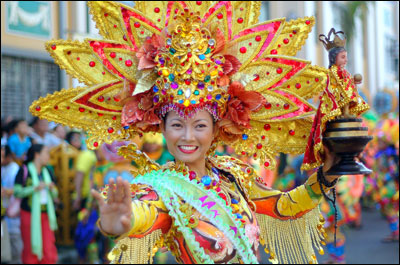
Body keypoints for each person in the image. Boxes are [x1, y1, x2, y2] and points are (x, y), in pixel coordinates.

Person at [29, 2, 354, 263]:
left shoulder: (234, 176)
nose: (187, 137)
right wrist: (118, 224)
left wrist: (324, 177)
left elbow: (285, 207)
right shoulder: (160, 188)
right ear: (161, 127)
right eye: (176, 125)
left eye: (199, 125)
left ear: (217, 129)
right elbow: (144, 214)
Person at [13, 144, 58, 264]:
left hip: (46, 215)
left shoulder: (47, 170)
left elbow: (55, 194)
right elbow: (17, 192)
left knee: (48, 247)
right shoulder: (24, 170)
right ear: (37, 155)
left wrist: (52, 189)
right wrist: (34, 188)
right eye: (46, 153)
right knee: (30, 247)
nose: (48, 156)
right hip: (29, 215)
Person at [1, 145, 23, 264]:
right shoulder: (4, 168)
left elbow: (17, 190)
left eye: (3, 156)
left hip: (10, 214)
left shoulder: (14, 168)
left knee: (14, 247)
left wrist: (6, 191)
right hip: (6, 214)